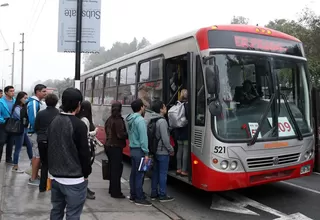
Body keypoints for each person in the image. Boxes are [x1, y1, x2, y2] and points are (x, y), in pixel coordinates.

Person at [48, 88, 92, 220]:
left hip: (55, 177)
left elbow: (48, 147)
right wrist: (86, 173)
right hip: (74, 179)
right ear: (78, 104)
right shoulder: (79, 125)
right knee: (73, 214)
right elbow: (84, 153)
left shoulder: (54, 121)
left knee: (56, 211)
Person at [126, 98, 151, 206]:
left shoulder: (130, 119)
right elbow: (143, 139)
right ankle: (139, 197)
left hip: (132, 149)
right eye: (143, 106)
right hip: (140, 150)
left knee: (134, 174)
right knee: (140, 174)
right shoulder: (140, 120)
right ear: (141, 107)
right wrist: (146, 153)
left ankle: (133, 194)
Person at [150, 100, 175, 202]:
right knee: (163, 174)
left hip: (155, 150)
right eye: (164, 107)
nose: (166, 109)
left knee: (155, 173)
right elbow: (165, 139)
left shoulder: (153, 119)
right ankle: (162, 195)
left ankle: (153, 193)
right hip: (163, 152)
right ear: (161, 109)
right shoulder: (162, 121)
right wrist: (171, 149)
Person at [34, 93, 59, 192]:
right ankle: (55, 187)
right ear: (56, 102)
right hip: (54, 142)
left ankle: (42, 187)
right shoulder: (59, 113)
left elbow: (36, 127)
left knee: (44, 164)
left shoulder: (40, 113)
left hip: (42, 140)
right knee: (55, 164)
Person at [105, 102, 128, 198]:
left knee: (112, 169)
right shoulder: (118, 120)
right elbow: (120, 135)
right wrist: (129, 134)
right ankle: (116, 192)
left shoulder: (109, 119)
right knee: (116, 170)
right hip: (115, 147)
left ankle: (111, 189)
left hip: (108, 146)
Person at [76, 100, 97, 200]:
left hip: (85, 146)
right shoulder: (84, 120)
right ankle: (84, 190)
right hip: (86, 147)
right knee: (85, 170)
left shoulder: (80, 118)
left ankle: (85, 188)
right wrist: (94, 132)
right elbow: (85, 134)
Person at [27, 84, 47, 186]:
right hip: (34, 133)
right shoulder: (34, 103)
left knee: (36, 155)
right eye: (43, 91)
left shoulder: (36, 102)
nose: (45, 93)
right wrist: (40, 132)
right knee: (37, 156)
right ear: (37, 92)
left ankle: (34, 176)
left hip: (34, 133)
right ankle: (33, 178)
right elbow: (34, 120)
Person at [12, 91, 33, 173]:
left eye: (27, 98)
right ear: (20, 99)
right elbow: (21, 117)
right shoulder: (17, 108)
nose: (26, 99)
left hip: (24, 130)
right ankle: (15, 166)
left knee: (29, 145)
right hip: (19, 130)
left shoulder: (24, 107)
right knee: (18, 148)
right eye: (24, 98)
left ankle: (33, 163)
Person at [175, 89, 189, 176]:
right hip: (185, 130)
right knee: (185, 151)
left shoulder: (177, 104)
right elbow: (188, 117)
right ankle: (184, 170)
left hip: (178, 130)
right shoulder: (186, 105)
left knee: (179, 150)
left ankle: (178, 169)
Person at [0, 86, 15, 164]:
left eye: (13, 91)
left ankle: (8, 158)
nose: (13, 92)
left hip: (12, 124)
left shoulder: (15, 101)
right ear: (6, 92)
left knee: (11, 141)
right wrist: (3, 120)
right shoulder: (1, 102)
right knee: (1, 141)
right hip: (3, 124)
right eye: (11, 91)